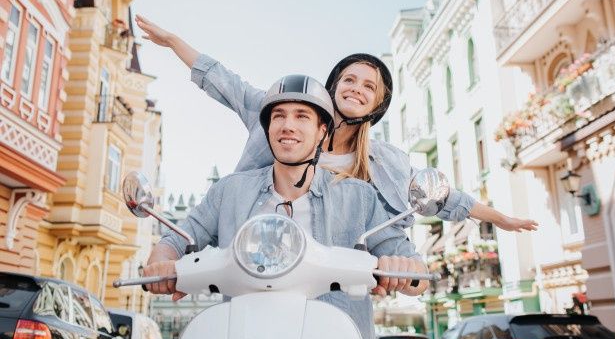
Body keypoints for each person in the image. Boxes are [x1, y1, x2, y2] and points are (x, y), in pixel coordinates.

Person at [135, 16, 538, 232]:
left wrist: (500, 218)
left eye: (369, 86)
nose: (357, 89)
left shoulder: (384, 161)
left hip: (333, 279)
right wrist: (174, 42)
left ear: (378, 104)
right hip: (257, 252)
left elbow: (442, 196)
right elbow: (226, 83)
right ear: (333, 85)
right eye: (349, 79)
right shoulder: (288, 118)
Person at [144, 75, 428, 339]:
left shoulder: (360, 198)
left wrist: (404, 267)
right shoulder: (229, 191)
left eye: (301, 116)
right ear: (268, 129)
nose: (287, 125)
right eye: (278, 116)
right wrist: (160, 263)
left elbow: (412, 267)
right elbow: (179, 236)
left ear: (322, 132)